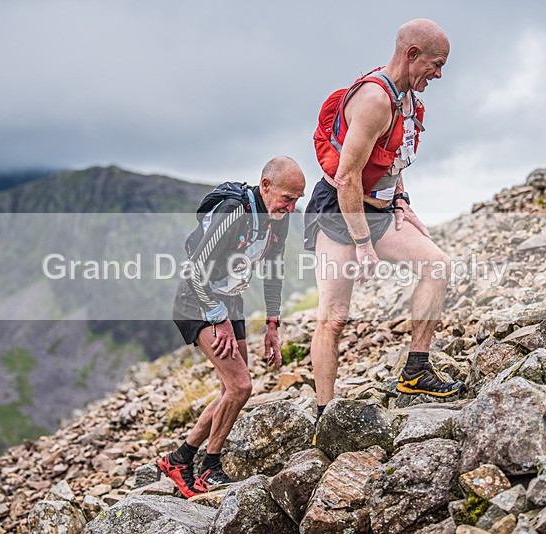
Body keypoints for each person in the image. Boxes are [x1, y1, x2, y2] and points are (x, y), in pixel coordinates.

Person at [305, 19, 464, 430]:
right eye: (436, 63)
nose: (439, 74)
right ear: (412, 54)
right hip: (340, 212)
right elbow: (346, 177)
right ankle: (325, 415)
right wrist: (362, 242)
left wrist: (401, 200)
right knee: (334, 317)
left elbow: (395, 156)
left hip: (379, 209)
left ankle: (415, 371)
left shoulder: (408, 100)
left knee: (438, 265)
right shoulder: (375, 100)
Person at [158, 156, 306, 498]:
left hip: (230, 301)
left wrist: (273, 323)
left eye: (298, 199)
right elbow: (196, 271)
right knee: (240, 386)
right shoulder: (234, 212)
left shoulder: (277, 219)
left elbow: (273, 270)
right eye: (287, 197)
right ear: (266, 186)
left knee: (232, 388)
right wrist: (218, 319)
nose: (292, 206)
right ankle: (208, 466)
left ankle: (179, 459)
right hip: (197, 300)